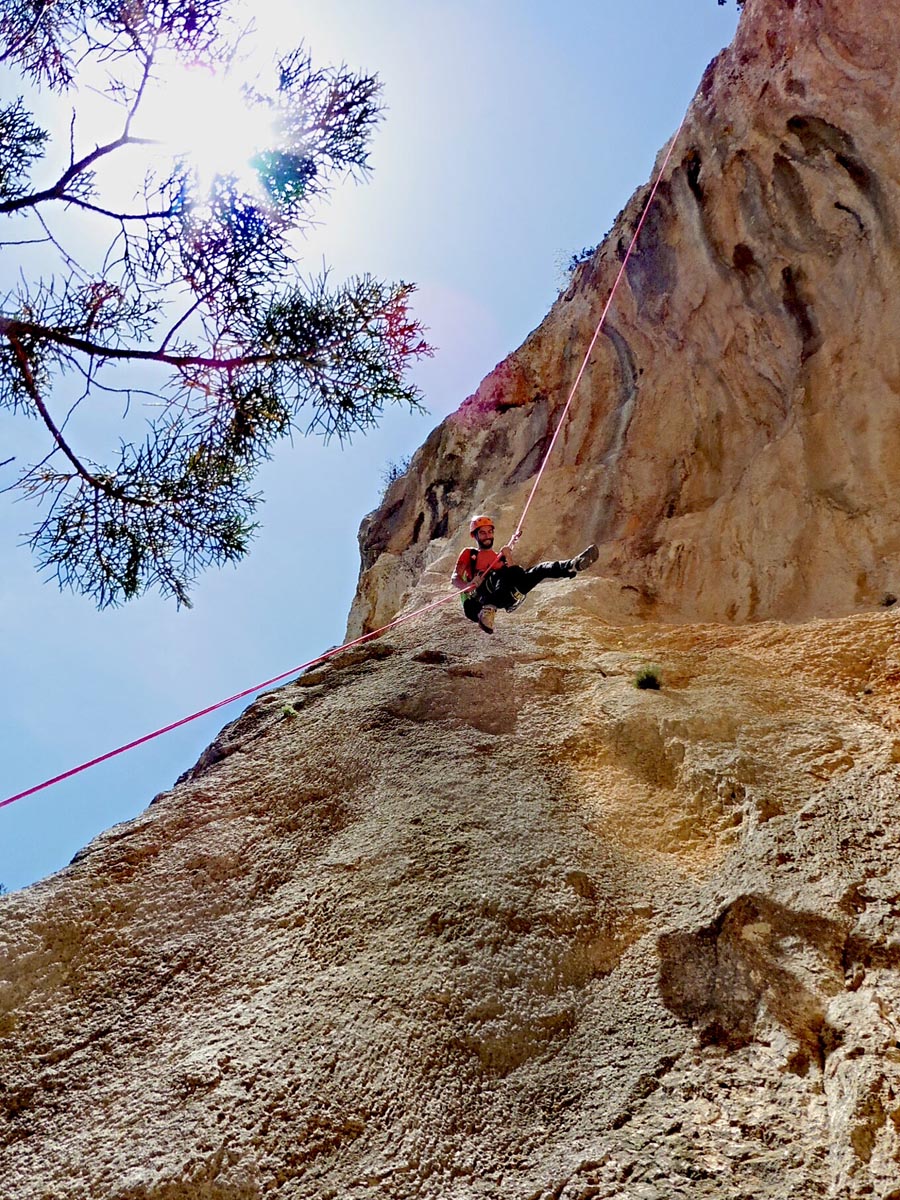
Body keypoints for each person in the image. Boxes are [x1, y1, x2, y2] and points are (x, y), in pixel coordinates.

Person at [451, 514, 599, 634]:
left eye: (490, 532)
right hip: (483, 597)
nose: (487, 536)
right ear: (475, 536)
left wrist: (508, 557)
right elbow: (455, 578)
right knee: (504, 573)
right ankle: (488, 610)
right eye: (482, 533)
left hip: (506, 597)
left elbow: (514, 575)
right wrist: (468, 586)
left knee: (538, 570)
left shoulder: (499, 557)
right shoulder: (470, 554)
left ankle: (572, 566)